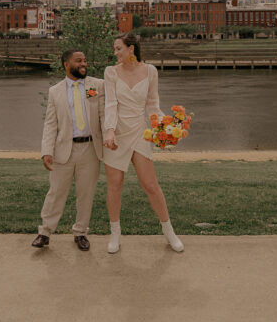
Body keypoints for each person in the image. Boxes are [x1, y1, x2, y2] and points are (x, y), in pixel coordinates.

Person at [102, 33, 184, 254]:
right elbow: (110, 104)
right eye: (115, 49)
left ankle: (169, 231)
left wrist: (166, 126)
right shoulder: (110, 72)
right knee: (115, 184)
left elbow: (153, 105)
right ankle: (115, 233)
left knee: (150, 185)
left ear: (131, 49)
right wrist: (109, 131)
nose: (116, 53)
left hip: (139, 131)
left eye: (119, 48)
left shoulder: (150, 71)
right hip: (116, 134)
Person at [32, 50, 105, 251]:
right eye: (78, 60)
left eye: (85, 60)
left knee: (86, 193)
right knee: (55, 193)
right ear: (66, 64)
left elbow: (103, 115)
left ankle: (80, 233)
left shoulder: (96, 86)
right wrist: (46, 151)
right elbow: (50, 124)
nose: (84, 63)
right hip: (63, 149)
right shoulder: (55, 91)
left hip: (90, 149)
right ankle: (44, 233)